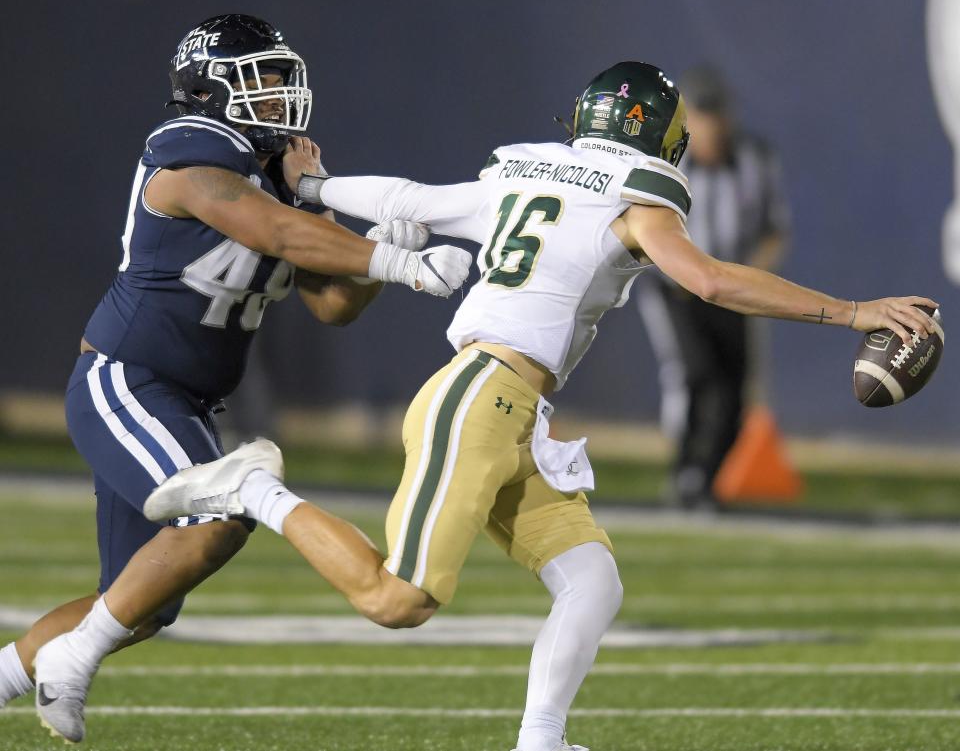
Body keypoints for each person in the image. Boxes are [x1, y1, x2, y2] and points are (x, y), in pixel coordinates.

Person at [78, 61, 939, 751]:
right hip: (479, 397)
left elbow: (411, 203)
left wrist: (318, 187)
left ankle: (541, 738)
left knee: (592, 580)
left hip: (510, 408)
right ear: (656, 136)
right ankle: (258, 488)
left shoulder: (528, 169)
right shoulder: (639, 194)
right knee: (397, 600)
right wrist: (854, 311)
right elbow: (708, 280)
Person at [0, 14, 470, 743]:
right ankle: (76, 658)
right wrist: (400, 264)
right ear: (206, 88)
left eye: (283, 81)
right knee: (218, 516)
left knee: (143, 602)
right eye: (262, 80)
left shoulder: (282, 176)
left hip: (184, 398)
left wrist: (380, 247)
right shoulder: (189, 152)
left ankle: (18, 671)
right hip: (126, 378)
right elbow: (273, 234)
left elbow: (332, 303)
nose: (280, 97)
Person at [635, 65, 791, 508]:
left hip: (731, 290)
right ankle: (685, 468)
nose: (712, 125)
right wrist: (684, 274)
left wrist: (749, 279)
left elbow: (775, 230)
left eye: (716, 114)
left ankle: (706, 479)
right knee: (694, 375)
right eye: (701, 115)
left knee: (734, 389)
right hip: (675, 289)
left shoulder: (756, 159)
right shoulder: (663, 162)